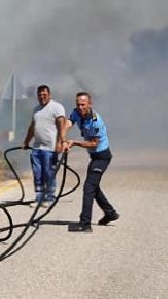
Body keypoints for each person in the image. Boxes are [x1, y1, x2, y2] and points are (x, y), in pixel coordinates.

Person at [64, 92, 119, 232]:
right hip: (94, 157)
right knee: (94, 187)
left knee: (89, 188)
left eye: (83, 104)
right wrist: (63, 139)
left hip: (102, 156)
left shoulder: (95, 121)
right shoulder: (76, 113)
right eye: (78, 104)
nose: (80, 107)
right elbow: (68, 123)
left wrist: (74, 143)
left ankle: (85, 224)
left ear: (89, 104)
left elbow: (94, 144)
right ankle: (110, 213)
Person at [22, 85, 66, 207]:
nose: (42, 97)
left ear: (49, 94)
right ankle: (39, 197)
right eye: (40, 95)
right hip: (37, 147)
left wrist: (60, 142)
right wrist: (26, 142)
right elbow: (32, 127)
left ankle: (50, 197)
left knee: (49, 172)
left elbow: (61, 125)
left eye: (44, 94)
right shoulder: (36, 109)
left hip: (50, 148)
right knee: (37, 173)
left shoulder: (56, 107)